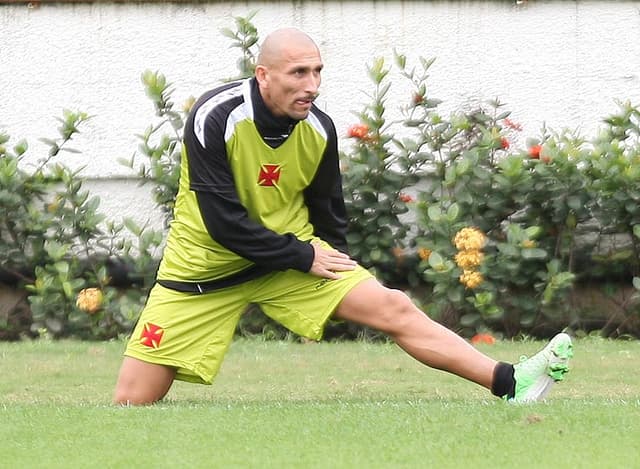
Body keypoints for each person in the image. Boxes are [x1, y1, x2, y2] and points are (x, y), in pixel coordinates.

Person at [113, 28, 573, 405]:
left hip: (294, 258)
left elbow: (327, 215)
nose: (311, 85)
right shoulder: (215, 117)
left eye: (317, 72)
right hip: (203, 271)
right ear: (263, 75)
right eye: (298, 73)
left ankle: (512, 382)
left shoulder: (319, 127)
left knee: (392, 305)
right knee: (132, 406)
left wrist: (344, 277)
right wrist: (300, 256)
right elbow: (222, 220)